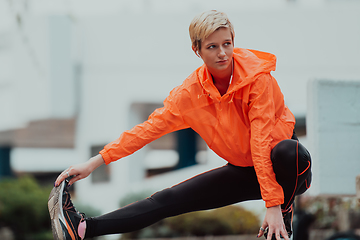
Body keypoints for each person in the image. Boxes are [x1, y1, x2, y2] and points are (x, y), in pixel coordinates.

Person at [48, 10, 312, 240]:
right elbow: (145, 132)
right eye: (212, 47)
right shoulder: (190, 95)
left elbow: (260, 140)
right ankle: (82, 229)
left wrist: (274, 205)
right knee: (167, 200)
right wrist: (94, 162)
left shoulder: (258, 79)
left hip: (288, 171)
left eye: (227, 44)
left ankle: (285, 216)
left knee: (289, 151)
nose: (222, 53)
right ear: (196, 49)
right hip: (244, 170)